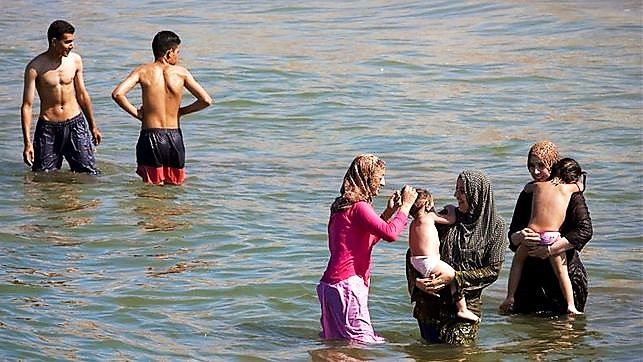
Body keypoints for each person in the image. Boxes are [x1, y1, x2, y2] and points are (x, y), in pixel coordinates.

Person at [317, 154, 418, 344]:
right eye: (380, 177)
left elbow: (365, 242)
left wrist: (389, 213)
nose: (383, 183)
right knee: (362, 344)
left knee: (337, 347)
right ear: (367, 177)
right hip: (347, 286)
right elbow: (391, 234)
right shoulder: (360, 207)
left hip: (330, 286)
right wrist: (405, 207)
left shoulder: (342, 205)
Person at [406, 170, 507, 344]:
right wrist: (416, 281)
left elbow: (493, 271)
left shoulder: (496, 227)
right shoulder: (446, 217)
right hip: (430, 305)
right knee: (427, 355)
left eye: (462, 191)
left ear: (476, 194)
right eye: (456, 189)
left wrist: (455, 277)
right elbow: (416, 251)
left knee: (460, 354)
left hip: (466, 310)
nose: (456, 195)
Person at [112, 30, 212, 185]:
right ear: (169, 52)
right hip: (174, 137)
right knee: (174, 187)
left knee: (151, 190)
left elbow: (118, 94)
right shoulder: (181, 73)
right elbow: (205, 100)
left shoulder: (143, 71)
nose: (178, 57)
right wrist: (180, 112)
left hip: (150, 136)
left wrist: (138, 114)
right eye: (177, 52)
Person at [507, 141, 593, 315]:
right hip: (530, 281)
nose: (535, 171)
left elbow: (585, 230)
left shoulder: (571, 195)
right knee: (529, 338)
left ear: (554, 165)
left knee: (564, 336)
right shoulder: (528, 193)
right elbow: (511, 236)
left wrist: (550, 249)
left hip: (564, 275)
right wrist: (520, 236)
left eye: (541, 165)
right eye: (531, 165)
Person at [21, 20, 101, 174]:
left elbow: (82, 94)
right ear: (54, 42)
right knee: (43, 177)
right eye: (67, 42)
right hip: (48, 128)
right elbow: (27, 106)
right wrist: (28, 143)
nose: (72, 46)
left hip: (75, 124)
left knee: (89, 174)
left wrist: (93, 126)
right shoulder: (35, 67)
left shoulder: (75, 60)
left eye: (72, 41)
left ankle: (72, 198)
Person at [408, 188, 479, 322]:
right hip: (429, 260)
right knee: (453, 276)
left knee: (437, 276)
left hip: (415, 261)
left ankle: (429, 289)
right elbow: (450, 220)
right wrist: (451, 208)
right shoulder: (429, 217)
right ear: (428, 205)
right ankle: (462, 309)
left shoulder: (413, 223)